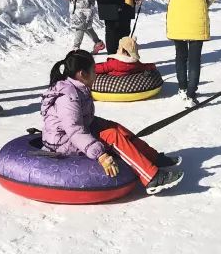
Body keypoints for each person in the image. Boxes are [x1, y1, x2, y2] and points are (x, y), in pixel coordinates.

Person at [41, 50, 183, 195]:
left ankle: (152, 157)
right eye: (93, 71)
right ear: (82, 74)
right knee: (111, 135)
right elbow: (75, 130)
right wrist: (100, 155)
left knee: (115, 127)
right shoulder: (68, 97)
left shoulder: (78, 87)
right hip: (62, 141)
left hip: (80, 129)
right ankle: (152, 178)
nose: (96, 75)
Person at [159, 0, 218, 108]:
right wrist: (203, 3)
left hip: (177, 14)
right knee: (195, 57)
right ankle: (192, 93)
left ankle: (182, 88)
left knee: (180, 55)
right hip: (197, 15)